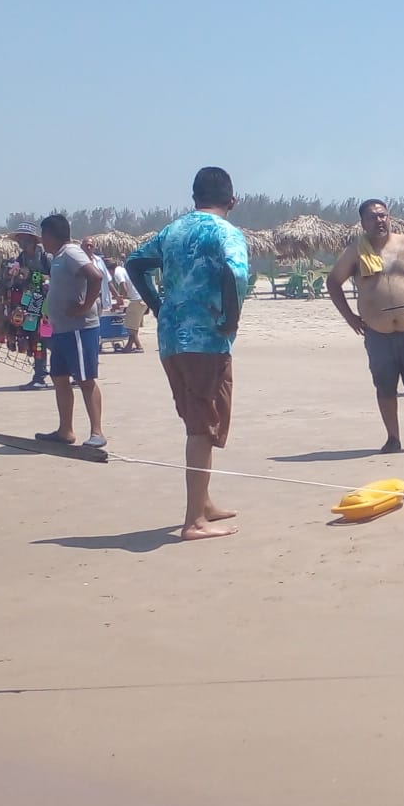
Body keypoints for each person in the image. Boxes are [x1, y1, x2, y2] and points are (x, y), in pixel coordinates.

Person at [126, 166, 253, 539]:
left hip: (171, 339)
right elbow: (236, 273)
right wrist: (231, 318)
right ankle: (193, 521)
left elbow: (135, 263)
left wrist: (158, 305)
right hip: (205, 340)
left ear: (194, 197)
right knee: (202, 426)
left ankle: (205, 503)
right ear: (233, 200)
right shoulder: (226, 232)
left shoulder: (174, 230)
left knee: (197, 417)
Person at [327, 200, 404, 454]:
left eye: (383, 216)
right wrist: (350, 317)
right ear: (363, 223)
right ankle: (393, 438)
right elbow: (333, 282)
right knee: (385, 386)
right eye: (372, 217)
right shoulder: (356, 250)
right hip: (377, 333)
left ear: (389, 217)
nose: (379, 221)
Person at [35, 214, 107, 449]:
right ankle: (65, 430)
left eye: (43, 235)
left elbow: (96, 276)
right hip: (61, 330)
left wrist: (84, 307)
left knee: (85, 379)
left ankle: (97, 432)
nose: (42, 240)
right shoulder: (57, 257)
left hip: (79, 329)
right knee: (59, 378)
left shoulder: (71, 253)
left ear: (51, 235)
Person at [0, 225, 51, 388]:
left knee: (49, 338)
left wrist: (35, 277)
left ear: (33, 240)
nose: (22, 242)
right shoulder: (20, 259)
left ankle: (68, 371)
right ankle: (40, 374)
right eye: (20, 239)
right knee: (35, 337)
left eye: (25, 239)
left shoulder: (45, 257)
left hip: (47, 304)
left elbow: (54, 277)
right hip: (30, 302)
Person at [82, 237, 115, 315]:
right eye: (86, 245)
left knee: (98, 319)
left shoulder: (99, 261)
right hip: (85, 298)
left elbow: (107, 279)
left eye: (91, 246)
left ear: (94, 248)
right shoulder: (77, 261)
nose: (89, 248)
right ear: (82, 247)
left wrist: (116, 295)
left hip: (98, 297)